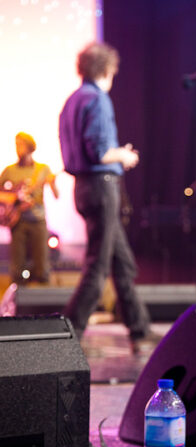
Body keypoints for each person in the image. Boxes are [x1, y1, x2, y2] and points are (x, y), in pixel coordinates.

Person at [59, 41, 151, 352]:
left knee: (122, 263)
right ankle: (68, 337)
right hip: (102, 186)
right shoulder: (96, 99)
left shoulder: (72, 100)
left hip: (85, 188)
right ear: (106, 69)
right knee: (97, 268)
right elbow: (98, 151)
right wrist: (123, 156)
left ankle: (139, 330)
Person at [0, 132, 59, 284]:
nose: (18, 148)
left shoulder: (42, 169)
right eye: (16, 145)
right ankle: (17, 303)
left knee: (41, 264)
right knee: (17, 266)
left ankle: (43, 302)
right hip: (18, 221)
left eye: (21, 144)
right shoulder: (10, 170)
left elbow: (56, 194)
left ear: (30, 147)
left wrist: (52, 183)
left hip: (38, 220)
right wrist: (12, 198)